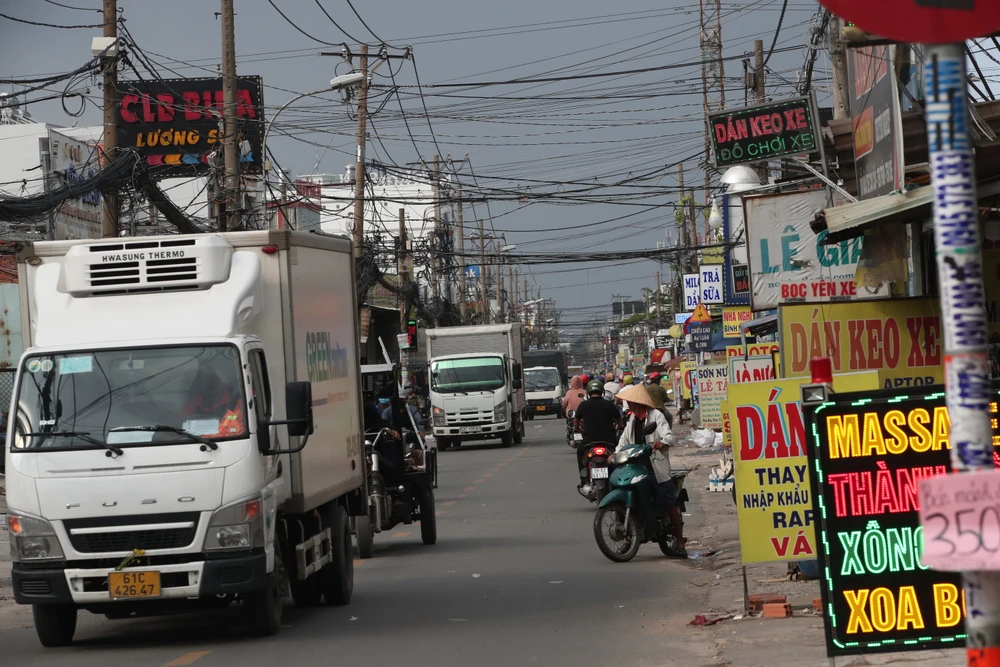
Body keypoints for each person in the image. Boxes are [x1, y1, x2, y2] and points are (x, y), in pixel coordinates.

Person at [615, 384, 685, 558]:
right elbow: (623, 440)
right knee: (626, 499)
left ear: (638, 402)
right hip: (636, 467)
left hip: (655, 467)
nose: (629, 405)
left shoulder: (656, 416)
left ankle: (680, 540)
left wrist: (661, 443)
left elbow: (669, 436)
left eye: (631, 402)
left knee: (669, 501)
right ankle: (629, 539)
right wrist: (614, 454)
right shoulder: (632, 420)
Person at [573, 379, 622, 482]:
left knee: (580, 452)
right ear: (602, 391)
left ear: (588, 392)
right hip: (609, 440)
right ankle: (620, 477)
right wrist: (619, 427)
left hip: (589, 441)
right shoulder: (609, 404)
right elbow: (619, 421)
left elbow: (576, 422)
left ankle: (583, 479)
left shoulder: (584, 405)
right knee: (620, 452)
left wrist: (578, 429)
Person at [182, 365, 244, 436]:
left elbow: (236, 429)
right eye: (205, 379)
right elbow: (181, 428)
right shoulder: (192, 403)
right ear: (199, 384)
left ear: (220, 381)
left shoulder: (236, 401)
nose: (210, 383)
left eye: (212, 379)